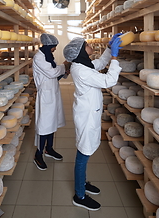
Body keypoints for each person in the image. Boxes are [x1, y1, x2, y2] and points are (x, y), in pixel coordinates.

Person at [63, 34, 123, 211]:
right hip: (86, 117)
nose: (90, 45)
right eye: (87, 44)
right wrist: (115, 57)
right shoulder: (81, 70)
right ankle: (79, 195)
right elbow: (108, 80)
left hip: (89, 113)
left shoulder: (83, 65)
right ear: (81, 51)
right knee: (83, 154)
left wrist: (108, 49)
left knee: (85, 151)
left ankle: (82, 183)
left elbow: (99, 64)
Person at [32, 33, 71, 170]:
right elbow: (52, 73)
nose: (54, 49)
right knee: (44, 125)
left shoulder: (48, 56)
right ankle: (38, 154)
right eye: (54, 47)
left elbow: (54, 76)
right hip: (45, 96)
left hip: (53, 94)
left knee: (52, 122)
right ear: (49, 46)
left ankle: (49, 149)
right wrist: (64, 65)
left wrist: (65, 72)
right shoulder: (39, 57)